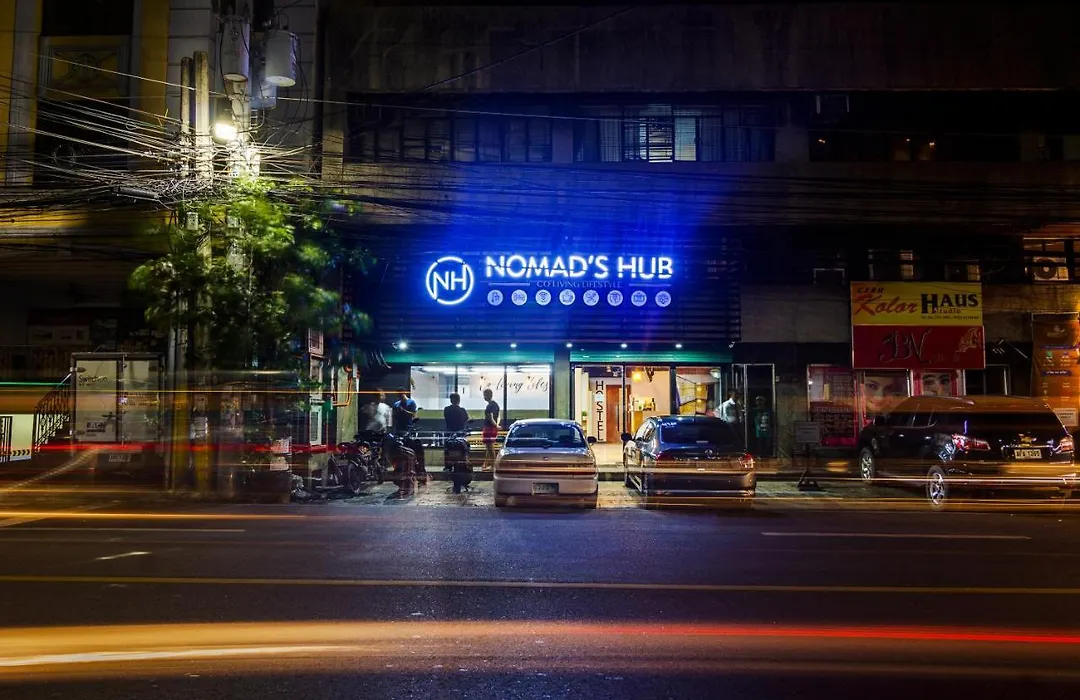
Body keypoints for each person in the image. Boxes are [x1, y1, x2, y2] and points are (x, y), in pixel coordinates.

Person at [482, 388, 500, 470]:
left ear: (488, 395)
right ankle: (486, 464)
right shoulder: (496, 405)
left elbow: (490, 417)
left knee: (489, 447)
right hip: (493, 428)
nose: (484, 397)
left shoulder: (490, 406)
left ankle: (493, 465)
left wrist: (495, 425)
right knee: (489, 447)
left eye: (484, 395)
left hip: (489, 428)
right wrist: (497, 425)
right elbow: (498, 416)